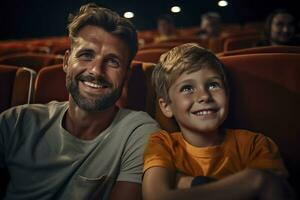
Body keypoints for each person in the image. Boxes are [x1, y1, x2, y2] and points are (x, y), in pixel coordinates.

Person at [0, 3, 160, 200]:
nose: (96, 71)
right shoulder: (17, 121)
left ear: (126, 75)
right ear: (66, 62)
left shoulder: (139, 133)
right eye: (86, 55)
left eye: (112, 61)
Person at [142, 43, 296, 200]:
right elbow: (156, 196)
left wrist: (186, 182)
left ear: (227, 94)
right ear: (166, 106)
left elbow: (274, 189)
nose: (205, 96)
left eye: (213, 85)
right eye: (187, 88)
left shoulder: (255, 144)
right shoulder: (162, 144)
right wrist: (254, 180)